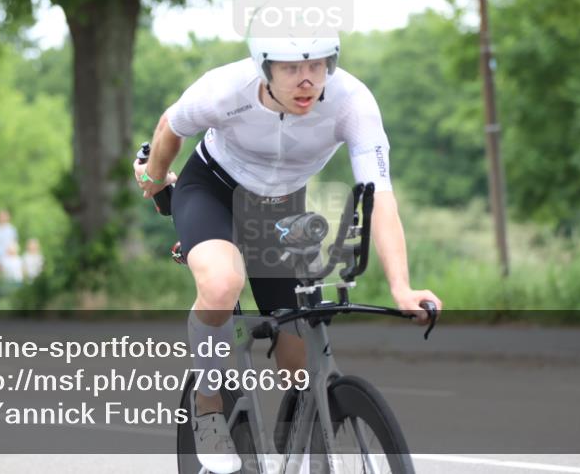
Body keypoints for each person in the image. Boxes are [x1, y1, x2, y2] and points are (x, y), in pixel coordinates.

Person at [134, 30, 443, 473]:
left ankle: (303, 422)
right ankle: (207, 405)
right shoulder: (225, 88)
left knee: (297, 354)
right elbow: (170, 126)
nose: (306, 81)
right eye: (291, 68)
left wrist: (402, 287)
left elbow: (380, 198)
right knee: (222, 284)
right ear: (264, 68)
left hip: (277, 208)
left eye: (317, 66)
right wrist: (157, 177)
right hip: (211, 191)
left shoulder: (352, 102)